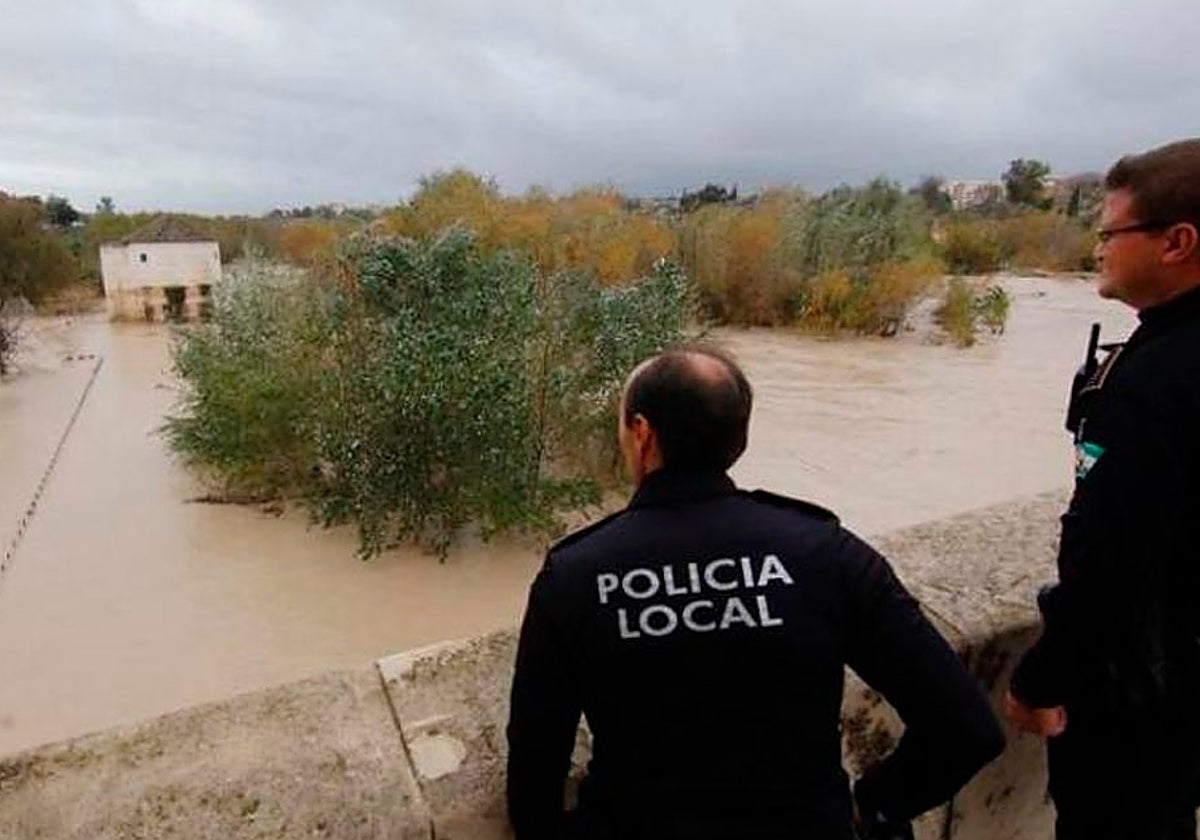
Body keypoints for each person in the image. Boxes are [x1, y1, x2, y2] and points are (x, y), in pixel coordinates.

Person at [507, 348, 1004, 840]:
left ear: (642, 433)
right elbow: (966, 729)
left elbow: (533, 777)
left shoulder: (574, 574)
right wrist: (871, 805)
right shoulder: (825, 553)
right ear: (737, 437)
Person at [1006, 139, 1200, 839]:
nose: (1098, 248)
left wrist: (1038, 680)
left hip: (1141, 698)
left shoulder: (1155, 381)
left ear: (1177, 242)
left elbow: (1115, 564)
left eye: (1110, 232)